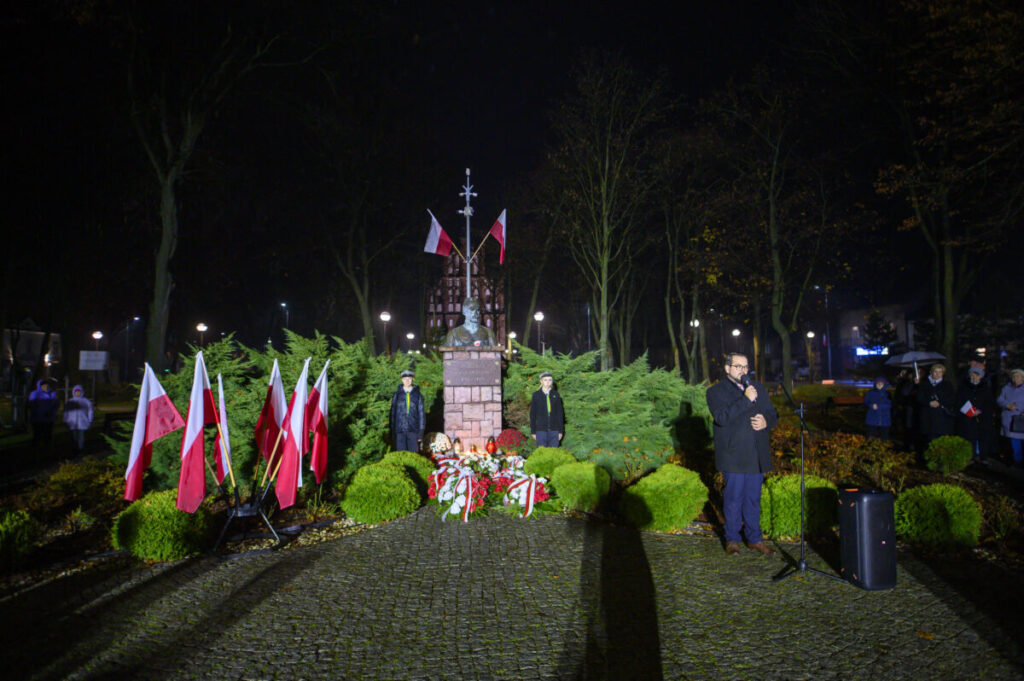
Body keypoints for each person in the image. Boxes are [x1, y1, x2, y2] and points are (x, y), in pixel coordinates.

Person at [705, 353, 778, 556]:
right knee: (733, 499)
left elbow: (772, 413)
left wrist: (767, 422)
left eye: (746, 367)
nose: (743, 371)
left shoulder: (758, 388)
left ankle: (755, 539)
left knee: (753, 499)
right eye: (738, 366)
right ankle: (732, 539)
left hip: (756, 453)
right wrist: (746, 400)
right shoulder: (716, 391)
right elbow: (722, 418)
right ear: (727, 369)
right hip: (733, 455)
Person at [955, 366, 996, 462]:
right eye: (972, 375)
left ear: (980, 377)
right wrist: (969, 411)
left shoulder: (986, 388)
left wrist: (980, 411)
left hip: (982, 418)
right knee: (970, 437)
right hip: (968, 417)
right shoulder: (963, 388)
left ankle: (983, 457)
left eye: (976, 375)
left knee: (983, 438)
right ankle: (971, 456)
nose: (974, 377)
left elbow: (989, 403)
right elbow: (959, 401)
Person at [916, 363, 955, 449]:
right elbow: (919, 398)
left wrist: (940, 402)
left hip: (942, 419)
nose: (937, 374)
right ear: (931, 372)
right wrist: (929, 403)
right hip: (928, 418)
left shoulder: (947, 385)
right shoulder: (924, 384)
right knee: (929, 442)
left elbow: (952, 398)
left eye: (940, 372)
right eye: (935, 372)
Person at [389, 369, 425, 453]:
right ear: (402, 380)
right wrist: (392, 430)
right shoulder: (397, 395)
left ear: (413, 379)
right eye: (405, 379)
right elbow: (393, 413)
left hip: (413, 430)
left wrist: (420, 432)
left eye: (409, 378)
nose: (407, 381)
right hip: (400, 430)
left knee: (413, 455)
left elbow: (421, 414)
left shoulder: (418, 395)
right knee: (401, 455)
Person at [996, 368, 1024, 468]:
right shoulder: (1006, 388)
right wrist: (1007, 405)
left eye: (1018, 376)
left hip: (1021, 418)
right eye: (1014, 376)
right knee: (1013, 442)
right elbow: (999, 399)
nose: (1015, 378)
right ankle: (1016, 461)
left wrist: (1019, 407)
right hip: (1009, 419)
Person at [529, 371, 564, 447]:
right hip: (541, 430)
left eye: (550, 380)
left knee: (553, 452)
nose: (548, 382)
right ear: (541, 381)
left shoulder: (556, 395)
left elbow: (560, 414)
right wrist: (533, 431)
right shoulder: (536, 395)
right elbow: (533, 414)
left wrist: (560, 431)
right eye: (545, 380)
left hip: (554, 429)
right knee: (542, 452)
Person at [28, 378, 59, 455]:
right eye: (43, 385)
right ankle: (35, 451)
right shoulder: (35, 394)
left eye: (46, 385)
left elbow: (56, 405)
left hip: (48, 419)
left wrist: (53, 413)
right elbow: (32, 406)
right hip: (37, 419)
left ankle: (47, 451)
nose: (45, 387)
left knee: (48, 436)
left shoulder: (52, 394)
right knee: (37, 435)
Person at [63, 384, 94, 455]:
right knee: (74, 436)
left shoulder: (86, 401)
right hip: (72, 422)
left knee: (81, 435)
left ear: (82, 392)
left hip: (82, 422)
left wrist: (90, 420)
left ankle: (80, 448)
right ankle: (75, 447)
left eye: (79, 392)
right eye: (76, 392)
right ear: (74, 392)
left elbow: (90, 411)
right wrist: (65, 420)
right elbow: (66, 412)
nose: (77, 393)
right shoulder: (70, 401)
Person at [864, 376, 892, 440]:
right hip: (872, 417)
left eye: (881, 384)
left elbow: (890, 404)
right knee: (870, 435)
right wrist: (871, 405)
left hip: (884, 418)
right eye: (878, 383)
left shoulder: (887, 394)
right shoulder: (870, 393)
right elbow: (866, 402)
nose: (879, 385)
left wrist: (878, 406)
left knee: (884, 437)